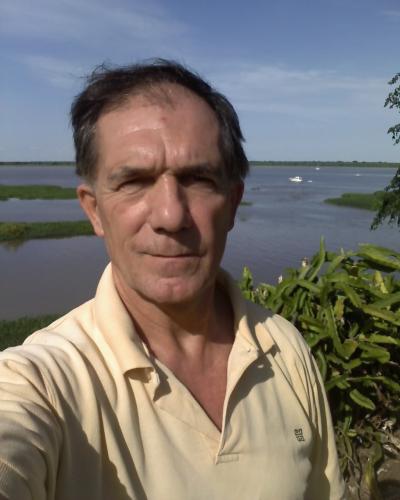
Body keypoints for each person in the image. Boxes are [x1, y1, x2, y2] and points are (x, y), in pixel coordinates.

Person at [0, 59, 346, 499]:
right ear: (94, 210)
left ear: (233, 203)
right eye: (134, 181)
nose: (170, 215)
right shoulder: (43, 382)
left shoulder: (284, 348)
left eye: (198, 179)